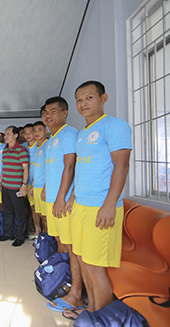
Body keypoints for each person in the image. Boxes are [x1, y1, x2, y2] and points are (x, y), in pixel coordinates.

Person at [63, 81, 132, 319]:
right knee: (83, 261)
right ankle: (91, 310)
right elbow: (82, 170)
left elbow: (122, 166)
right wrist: (72, 196)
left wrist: (110, 204)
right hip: (81, 206)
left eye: (89, 98)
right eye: (79, 100)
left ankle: (101, 320)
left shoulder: (115, 126)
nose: (83, 104)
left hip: (100, 208)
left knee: (95, 267)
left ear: (104, 98)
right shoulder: (82, 134)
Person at [41, 96, 84, 314]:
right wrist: (47, 189)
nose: (48, 116)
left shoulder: (70, 134)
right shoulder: (52, 139)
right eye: (45, 113)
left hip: (63, 202)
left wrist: (60, 197)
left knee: (72, 247)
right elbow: (55, 169)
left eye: (53, 111)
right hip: (52, 200)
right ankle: (65, 283)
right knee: (61, 242)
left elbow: (70, 167)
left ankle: (76, 293)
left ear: (65, 113)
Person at [0, 126, 29, 246]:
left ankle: (20, 237)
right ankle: (8, 233)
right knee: (7, 212)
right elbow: (4, 169)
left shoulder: (21, 150)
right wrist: (0, 182)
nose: (5, 137)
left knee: (19, 213)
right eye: (5, 134)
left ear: (15, 135)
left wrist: (24, 185)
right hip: (6, 186)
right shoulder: (5, 150)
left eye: (8, 134)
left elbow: (26, 168)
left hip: (16, 187)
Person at [29, 120, 49, 238]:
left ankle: (48, 239)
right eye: (34, 130)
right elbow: (36, 169)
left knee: (46, 216)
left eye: (40, 130)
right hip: (36, 186)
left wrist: (45, 188)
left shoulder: (48, 145)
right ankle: (42, 237)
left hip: (44, 187)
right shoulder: (37, 147)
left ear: (46, 131)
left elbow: (50, 169)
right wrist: (32, 186)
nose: (36, 133)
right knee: (40, 214)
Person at [21, 123, 37, 238]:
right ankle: (29, 225)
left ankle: (38, 229)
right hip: (23, 182)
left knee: (35, 207)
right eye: (25, 133)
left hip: (36, 182)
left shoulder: (40, 145)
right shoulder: (22, 147)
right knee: (25, 205)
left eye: (30, 132)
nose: (28, 135)